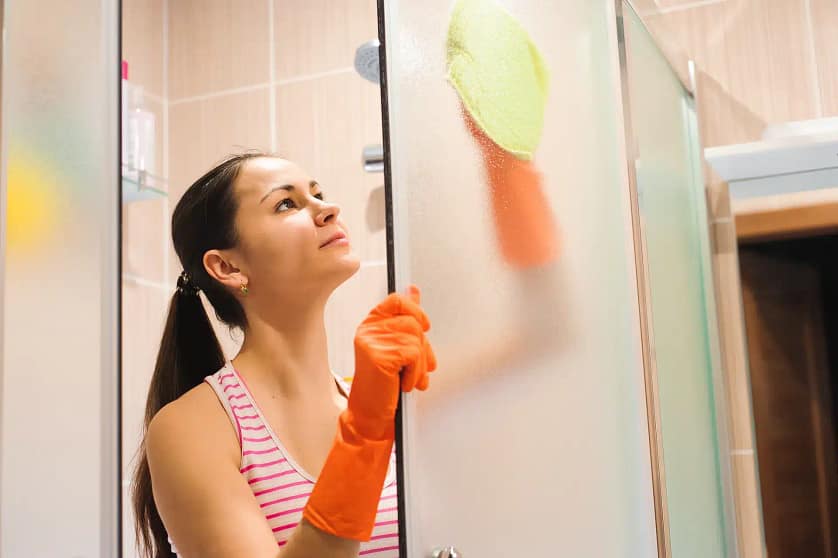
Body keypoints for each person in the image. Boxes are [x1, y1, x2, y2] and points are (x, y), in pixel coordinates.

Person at [132, 152, 437, 558]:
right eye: (287, 203)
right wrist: (365, 430)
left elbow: (533, 341)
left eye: (318, 193)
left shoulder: (379, 402)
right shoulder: (188, 429)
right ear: (227, 267)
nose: (328, 209)